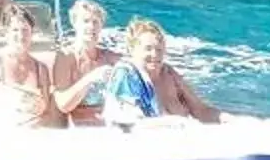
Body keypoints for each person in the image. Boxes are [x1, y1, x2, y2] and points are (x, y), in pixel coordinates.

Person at [92, 18, 222, 124]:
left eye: (159, 49)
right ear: (132, 49)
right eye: (148, 48)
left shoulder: (168, 74)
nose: (155, 54)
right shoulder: (126, 75)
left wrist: (230, 120)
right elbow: (128, 124)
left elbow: (200, 110)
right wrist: (176, 123)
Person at [0, 7, 63, 129]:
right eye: (15, 30)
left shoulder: (41, 69)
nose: (20, 35)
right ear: (6, 33)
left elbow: (48, 111)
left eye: (25, 30)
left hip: (33, 132)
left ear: (32, 33)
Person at [50, 0, 117, 126]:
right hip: (81, 128)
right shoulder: (66, 58)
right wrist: (90, 78)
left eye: (96, 22)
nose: (91, 26)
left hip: (110, 123)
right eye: (86, 21)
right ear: (74, 23)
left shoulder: (111, 58)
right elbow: (63, 105)